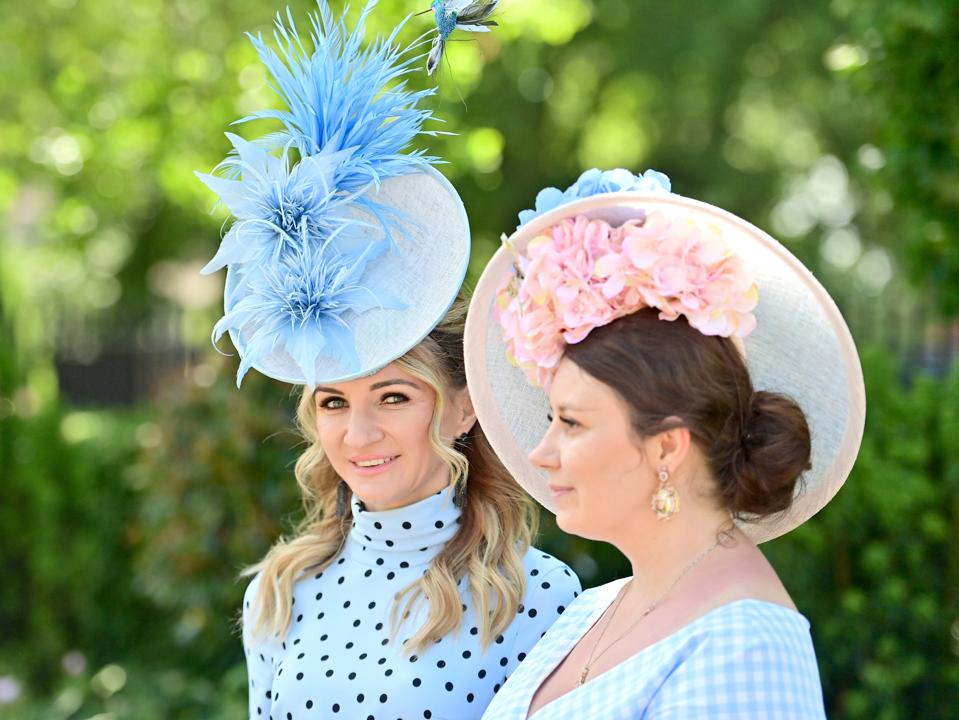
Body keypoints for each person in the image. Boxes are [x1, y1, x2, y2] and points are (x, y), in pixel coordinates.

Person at [195, 5, 580, 719]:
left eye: (395, 397)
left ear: (464, 404)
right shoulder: (279, 590)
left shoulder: (537, 596)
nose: (357, 433)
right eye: (333, 401)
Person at [463, 169, 865, 718]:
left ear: (667, 448)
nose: (542, 452)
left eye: (573, 423)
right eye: (550, 419)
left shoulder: (749, 646)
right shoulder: (593, 609)